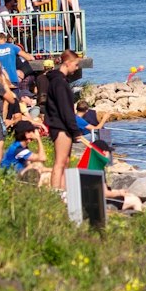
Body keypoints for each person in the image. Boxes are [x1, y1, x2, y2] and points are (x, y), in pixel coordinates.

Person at [40, 49, 83, 192]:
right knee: (60, 161)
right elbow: (65, 109)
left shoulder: (59, 81)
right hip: (60, 126)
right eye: (76, 65)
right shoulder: (59, 82)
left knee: (65, 161)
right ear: (68, 63)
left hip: (60, 125)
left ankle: (64, 191)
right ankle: (56, 192)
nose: (77, 68)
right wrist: (75, 130)